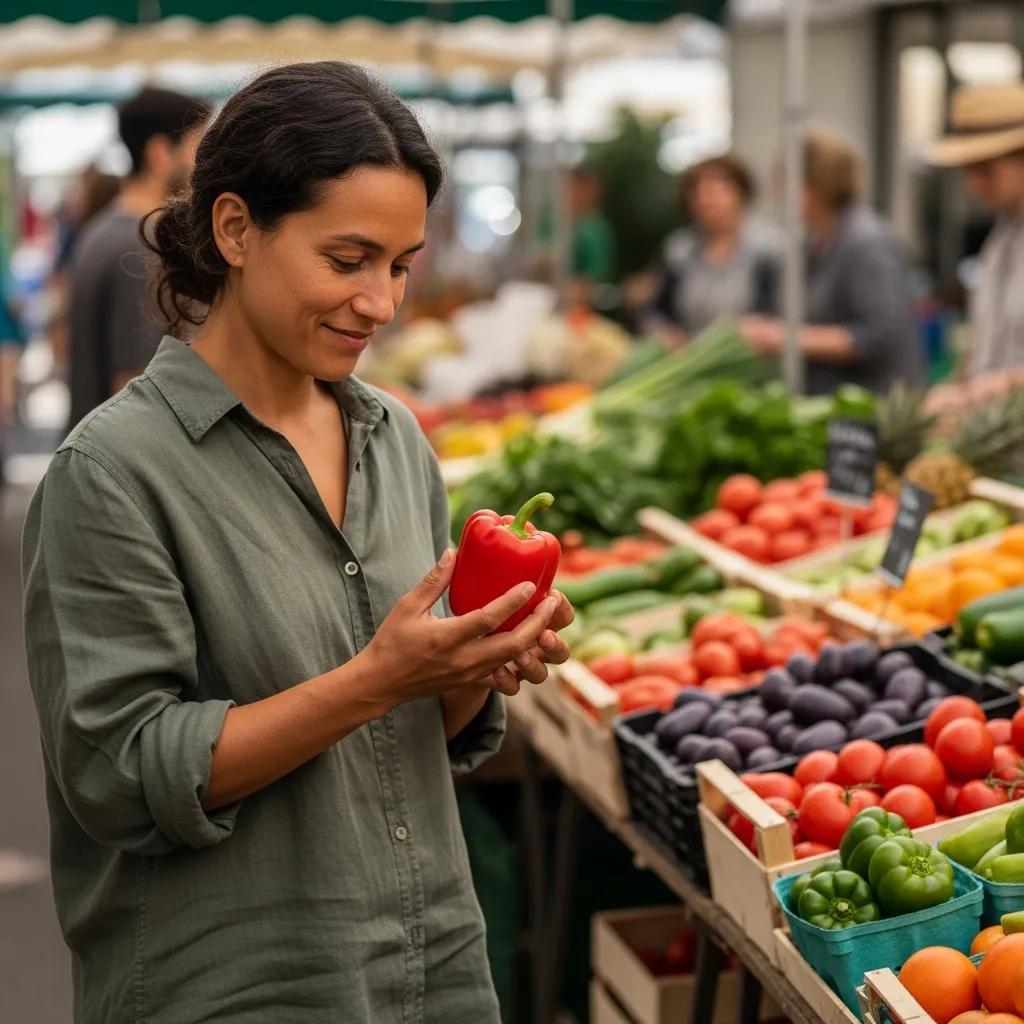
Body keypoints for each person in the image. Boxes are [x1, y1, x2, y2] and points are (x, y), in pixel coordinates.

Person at [22, 62, 573, 1024]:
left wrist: (474, 658)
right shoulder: (113, 473)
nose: (382, 302)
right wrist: (377, 678)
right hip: (243, 989)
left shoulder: (394, 440)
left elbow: (424, 734)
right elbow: (122, 772)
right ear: (235, 229)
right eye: (347, 259)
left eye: (401, 265)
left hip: (429, 967)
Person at [66, 86, 209, 427]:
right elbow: (134, 388)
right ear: (160, 153)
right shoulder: (143, 245)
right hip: (126, 467)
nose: (204, 165)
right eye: (197, 147)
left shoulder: (104, 228)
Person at [740, 128, 923, 394]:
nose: (779, 191)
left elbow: (879, 336)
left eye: (783, 179)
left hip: (871, 412)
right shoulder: (816, 243)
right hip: (836, 406)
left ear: (811, 186)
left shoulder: (866, 242)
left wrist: (783, 337)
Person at [927, 83, 1024, 412]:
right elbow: (987, 346)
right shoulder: (1001, 237)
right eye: (969, 169)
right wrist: (957, 385)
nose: (974, 183)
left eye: (985, 168)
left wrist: (1002, 384)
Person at [646, 153, 780, 342]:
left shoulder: (770, 249)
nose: (707, 200)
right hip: (688, 356)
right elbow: (657, 312)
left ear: (741, 194)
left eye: (718, 190)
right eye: (699, 192)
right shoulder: (679, 249)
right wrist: (666, 334)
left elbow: (775, 315)